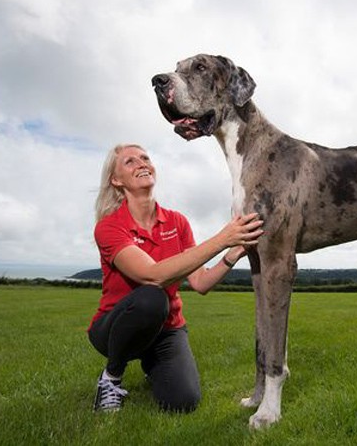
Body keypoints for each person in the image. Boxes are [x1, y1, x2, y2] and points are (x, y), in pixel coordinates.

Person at [88, 143, 263, 413]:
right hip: (114, 328)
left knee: (182, 402)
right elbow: (151, 275)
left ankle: (153, 364)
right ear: (116, 180)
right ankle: (111, 377)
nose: (142, 163)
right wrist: (223, 238)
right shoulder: (109, 227)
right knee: (152, 298)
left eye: (145, 157)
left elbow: (200, 283)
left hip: (167, 329)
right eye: (130, 162)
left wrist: (232, 252)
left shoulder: (176, 222)